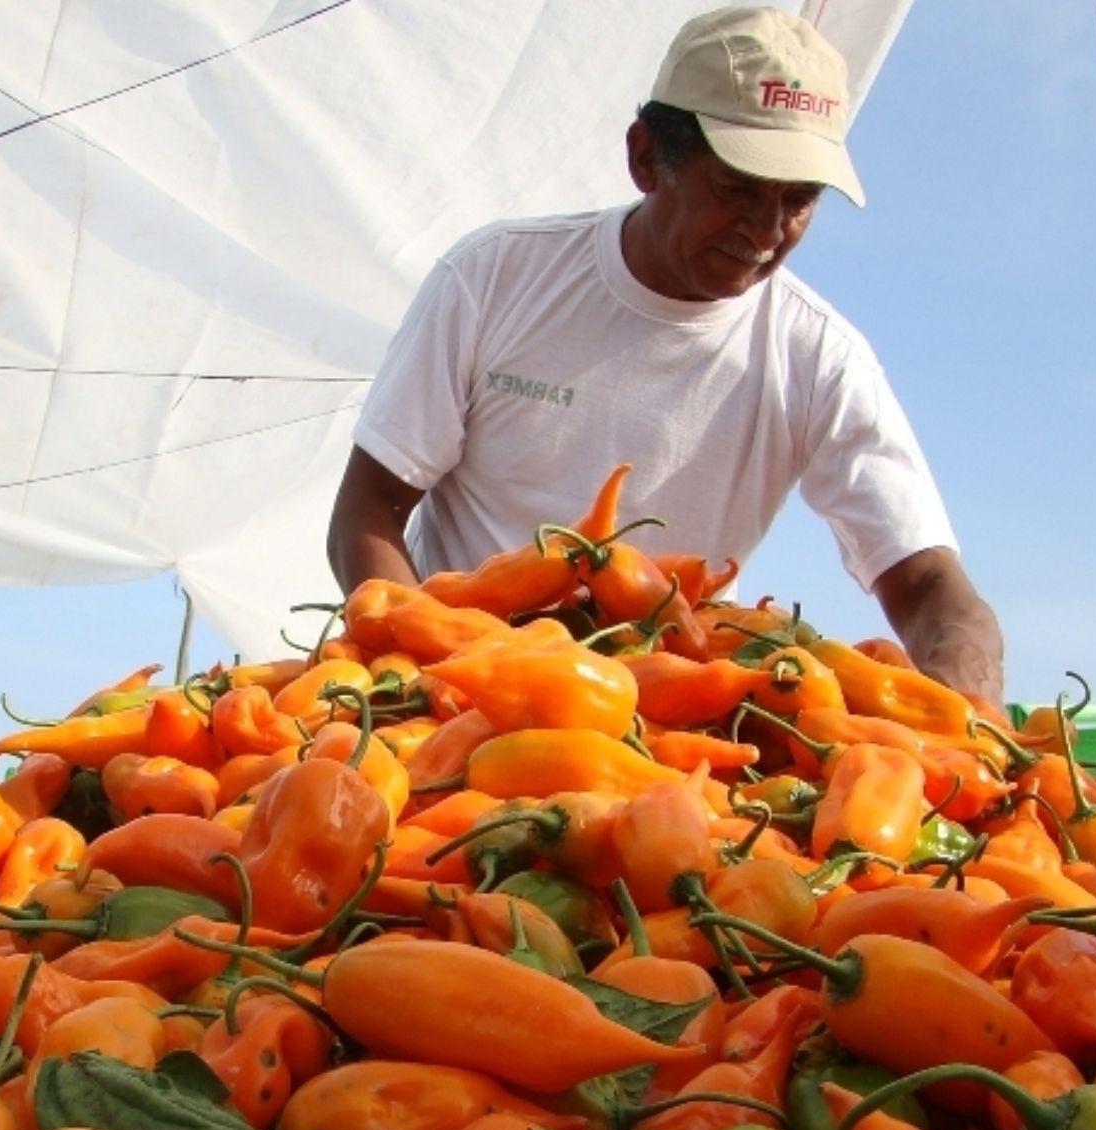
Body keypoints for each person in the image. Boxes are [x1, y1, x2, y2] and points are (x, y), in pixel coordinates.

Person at [326, 6, 1004, 704]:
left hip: (680, 719)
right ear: (647, 157)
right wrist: (432, 663)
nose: (768, 230)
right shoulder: (495, 279)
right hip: (467, 694)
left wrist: (968, 715)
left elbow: (929, 585)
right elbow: (368, 509)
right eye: (737, 187)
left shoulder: (819, 358)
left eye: (799, 200)